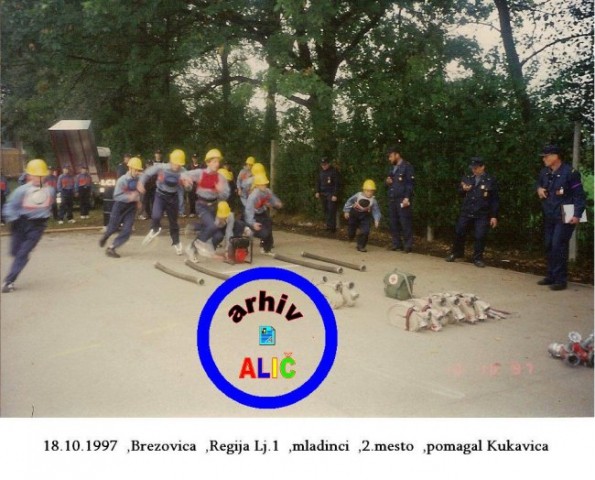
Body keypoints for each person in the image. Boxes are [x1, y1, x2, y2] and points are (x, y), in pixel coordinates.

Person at [535, 144, 586, 291]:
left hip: (565, 215)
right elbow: (538, 184)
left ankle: (560, 279)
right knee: (549, 245)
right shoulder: (545, 172)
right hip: (550, 213)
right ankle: (551, 275)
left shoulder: (570, 173)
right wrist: (539, 189)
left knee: (558, 245)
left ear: (555, 156)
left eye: (546, 156)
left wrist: (577, 214)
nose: (544, 159)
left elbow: (579, 196)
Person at [1, 159, 54, 293]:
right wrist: (12, 219)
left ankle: (9, 281)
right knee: (15, 251)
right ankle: (21, 257)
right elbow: (10, 206)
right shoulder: (21, 191)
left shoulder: (50, 191)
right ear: (29, 176)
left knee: (22, 253)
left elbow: (50, 206)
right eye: (36, 175)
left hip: (37, 226)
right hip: (20, 222)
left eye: (42, 176)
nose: (39, 178)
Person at [445, 157, 499, 268]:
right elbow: (459, 192)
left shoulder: (490, 180)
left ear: (482, 167)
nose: (474, 170)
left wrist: (494, 216)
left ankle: (477, 258)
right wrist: (463, 189)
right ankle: (456, 253)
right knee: (459, 232)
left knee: (480, 236)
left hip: (482, 213)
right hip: (467, 210)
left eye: (476, 168)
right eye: (472, 168)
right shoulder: (467, 178)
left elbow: (494, 199)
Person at [138, 149, 187, 255]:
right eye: (176, 163)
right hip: (160, 196)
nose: (177, 166)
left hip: (173, 198)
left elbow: (189, 187)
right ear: (171, 161)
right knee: (155, 216)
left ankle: (176, 242)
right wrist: (141, 183)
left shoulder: (183, 171)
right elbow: (147, 173)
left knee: (173, 223)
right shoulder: (162, 167)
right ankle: (155, 229)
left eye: (179, 164)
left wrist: (187, 184)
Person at [181, 148, 230, 252]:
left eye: (218, 161)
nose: (217, 164)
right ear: (208, 162)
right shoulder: (200, 173)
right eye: (214, 161)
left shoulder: (221, 177)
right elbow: (184, 175)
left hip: (214, 207)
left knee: (219, 235)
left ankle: (196, 240)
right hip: (201, 205)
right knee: (212, 226)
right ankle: (193, 246)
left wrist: (220, 191)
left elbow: (226, 195)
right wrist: (187, 183)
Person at [99, 157, 143, 258]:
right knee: (113, 228)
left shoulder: (138, 179)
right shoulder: (122, 180)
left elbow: (137, 191)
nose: (137, 172)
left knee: (127, 230)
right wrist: (129, 197)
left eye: (139, 170)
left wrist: (138, 200)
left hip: (131, 208)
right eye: (136, 170)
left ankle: (111, 248)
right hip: (120, 206)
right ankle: (106, 236)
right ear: (130, 168)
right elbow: (116, 196)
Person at [385, 145, 414, 252]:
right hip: (392, 198)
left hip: (402, 199)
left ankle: (408, 245)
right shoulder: (392, 168)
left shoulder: (407, 167)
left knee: (405, 222)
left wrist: (407, 197)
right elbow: (388, 182)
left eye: (391, 156)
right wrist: (387, 182)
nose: (390, 159)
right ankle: (396, 243)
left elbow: (410, 184)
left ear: (397, 155)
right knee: (393, 222)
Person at [244, 173, 282, 254]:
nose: (264, 186)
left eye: (265, 184)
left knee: (269, 225)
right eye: (261, 185)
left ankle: (267, 248)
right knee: (263, 233)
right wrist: (252, 223)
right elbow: (248, 211)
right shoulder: (253, 196)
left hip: (262, 213)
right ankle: (248, 231)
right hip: (253, 215)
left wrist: (277, 203)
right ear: (257, 185)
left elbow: (273, 199)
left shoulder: (267, 192)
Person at [343, 179, 381, 252]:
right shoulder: (358, 195)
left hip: (365, 215)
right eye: (367, 191)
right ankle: (351, 236)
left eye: (371, 191)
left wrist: (376, 219)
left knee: (365, 231)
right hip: (355, 214)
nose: (369, 193)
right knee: (351, 229)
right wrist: (346, 211)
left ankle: (361, 246)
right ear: (364, 190)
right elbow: (349, 201)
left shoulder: (373, 200)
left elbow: (376, 210)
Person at [315, 157, 340, 232]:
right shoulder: (321, 172)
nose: (324, 166)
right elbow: (318, 182)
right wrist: (317, 191)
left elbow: (337, 184)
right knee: (325, 210)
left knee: (331, 210)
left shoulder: (334, 171)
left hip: (331, 194)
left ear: (328, 164)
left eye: (325, 164)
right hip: (323, 194)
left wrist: (335, 194)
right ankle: (328, 226)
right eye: (322, 165)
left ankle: (332, 228)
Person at [140, 149, 163, 220]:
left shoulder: (154, 172)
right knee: (146, 202)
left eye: (150, 165)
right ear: (146, 165)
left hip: (153, 188)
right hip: (146, 189)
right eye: (148, 164)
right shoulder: (144, 172)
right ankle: (148, 214)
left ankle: (153, 214)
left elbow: (157, 180)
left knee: (154, 201)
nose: (149, 166)